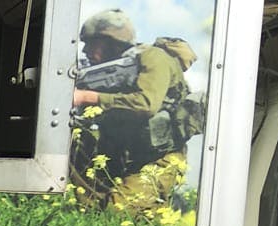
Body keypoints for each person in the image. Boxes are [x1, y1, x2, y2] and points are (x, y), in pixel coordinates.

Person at [70, 9, 201, 213]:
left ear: (111, 41)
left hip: (159, 159)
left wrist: (86, 97)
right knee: (89, 209)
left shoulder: (153, 58)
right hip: (123, 154)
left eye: (92, 43)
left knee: (117, 213)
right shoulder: (109, 71)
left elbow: (146, 104)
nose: (85, 50)